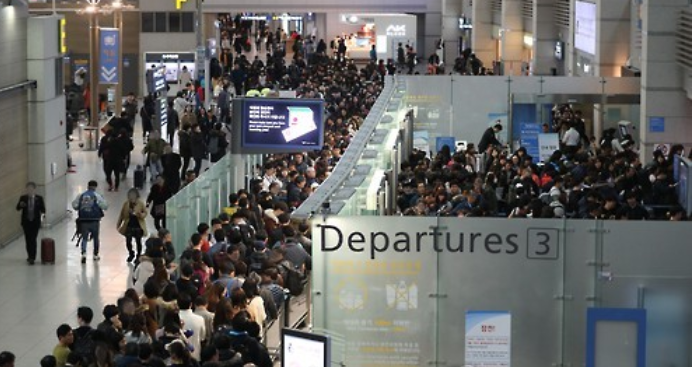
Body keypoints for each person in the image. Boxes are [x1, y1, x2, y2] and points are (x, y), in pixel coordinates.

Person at [72, 180, 108, 264]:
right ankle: (95, 255)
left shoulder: (81, 195)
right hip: (94, 220)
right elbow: (105, 206)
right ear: (95, 187)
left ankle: (84, 253)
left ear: (88, 186)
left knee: (84, 238)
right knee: (95, 238)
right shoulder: (97, 196)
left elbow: (75, 206)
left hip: (83, 221)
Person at [16, 182, 45, 265]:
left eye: (31, 189)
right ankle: (29, 255)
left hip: (35, 222)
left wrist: (42, 219)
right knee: (28, 239)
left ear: (34, 190)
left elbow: (43, 210)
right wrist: (20, 205)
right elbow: (17, 208)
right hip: (26, 222)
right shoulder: (23, 198)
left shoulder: (39, 199)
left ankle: (33, 257)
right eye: (28, 189)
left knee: (33, 239)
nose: (30, 191)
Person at [116, 188, 148, 263]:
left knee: (138, 241)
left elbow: (145, 213)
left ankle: (138, 255)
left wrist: (140, 214)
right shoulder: (126, 204)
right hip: (129, 225)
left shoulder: (140, 203)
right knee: (128, 241)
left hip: (138, 225)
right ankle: (131, 253)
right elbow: (122, 214)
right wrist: (119, 224)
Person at [177, 294, 206, 361]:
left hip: (178, 357)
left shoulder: (174, 319)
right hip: (195, 356)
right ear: (191, 304)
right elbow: (202, 338)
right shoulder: (200, 319)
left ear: (177, 305)